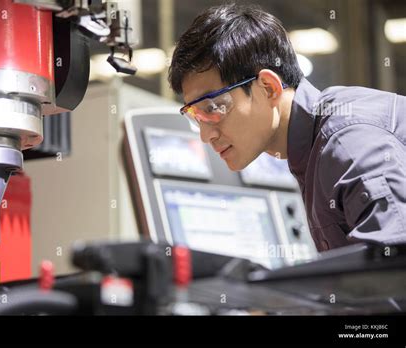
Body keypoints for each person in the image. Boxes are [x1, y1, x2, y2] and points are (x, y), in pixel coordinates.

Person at [168, 3, 406, 251]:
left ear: (268, 87)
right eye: (196, 115)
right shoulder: (312, 150)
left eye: (213, 108)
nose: (206, 136)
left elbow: (392, 273)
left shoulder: (348, 143)